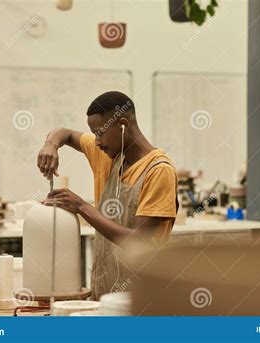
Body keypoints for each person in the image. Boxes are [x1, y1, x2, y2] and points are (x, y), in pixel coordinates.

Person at [37, 91, 178, 300]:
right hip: (105, 294)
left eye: (100, 133)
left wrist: (82, 207)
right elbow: (64, 133)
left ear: (122, 125)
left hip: (141, 301)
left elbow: (139, 241)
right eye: (94, 134)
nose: (96, 142)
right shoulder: (110, 156)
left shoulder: (158, 171)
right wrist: (50, 144)